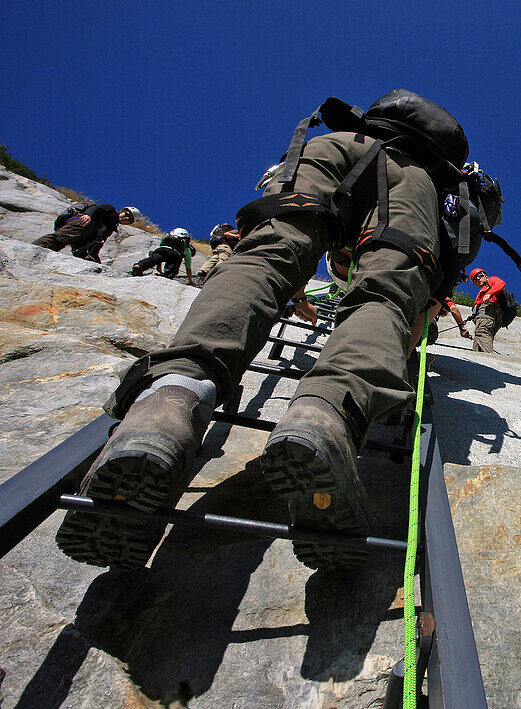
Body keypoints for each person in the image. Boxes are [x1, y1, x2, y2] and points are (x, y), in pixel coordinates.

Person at [55, 89, 479, 572]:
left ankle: (169, 402)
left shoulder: (348, 134)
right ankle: (325, 416)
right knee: (384, 293)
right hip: (412, 188)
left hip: (335, 148)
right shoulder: (433, 179)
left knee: (268, 254)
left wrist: (294, 286)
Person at [33, 204, 135, 260]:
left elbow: (98, 244)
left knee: (82, 256)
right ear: (122, 211)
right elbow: (95, 208)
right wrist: (88, 215)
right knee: (58, 239)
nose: (125, 217)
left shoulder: (110, 228)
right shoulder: (110, 210)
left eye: (129, 219)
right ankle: (33, 249)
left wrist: (95, 259)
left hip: (86, 236)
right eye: (126, 214)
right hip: (81, 223)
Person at [131, 228, 196, 283]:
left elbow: (159, 257)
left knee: (152, 260)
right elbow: (188, 268)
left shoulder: (168, 238)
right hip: (174, 254)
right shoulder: (187, 250)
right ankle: (167, 274)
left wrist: (159, 268)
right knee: (173, 265)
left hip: (161, 250)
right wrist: (190, 280)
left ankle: (139, 266)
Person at [469, 268, 505, 353]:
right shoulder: (482, 291)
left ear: (486, 276)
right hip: (488, 315)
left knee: (482, 333)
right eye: (475, 279)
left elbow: (501, 283)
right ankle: (477, 357)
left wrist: (489, 293)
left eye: (479, 275)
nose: (478, 279)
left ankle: (488, 358)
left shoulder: (491, 281)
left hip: (487, 311)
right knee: (480, 336)